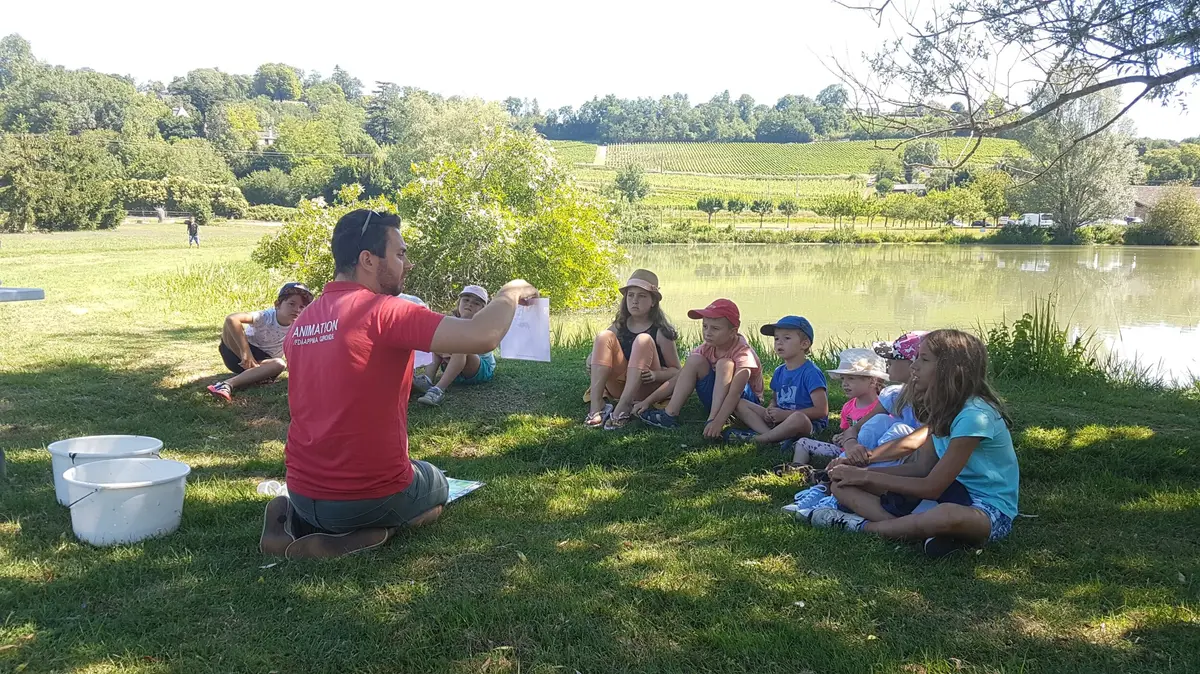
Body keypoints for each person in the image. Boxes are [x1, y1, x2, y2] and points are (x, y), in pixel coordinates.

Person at [258, 208, 539, 559]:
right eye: (400, 254)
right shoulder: (384, 311)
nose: (408, 264)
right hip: (367, 494)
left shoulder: (302, 323)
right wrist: (511, 291)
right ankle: (365, 534)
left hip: (302, 489)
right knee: (435, 486)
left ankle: (295, 521)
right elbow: (482, 335)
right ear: (368, 260)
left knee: (351, 494)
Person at [805, 329, 1020, 558]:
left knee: (945, 516)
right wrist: (858, 473)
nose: (914, 366)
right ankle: (922, 531)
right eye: (916, 357)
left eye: (924, 359)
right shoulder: (944, 407)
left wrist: (866, 476)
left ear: (951, 370)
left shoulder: (974, 416)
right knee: (841, 485)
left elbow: (932, 486)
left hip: (985, 507)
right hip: (945, 494)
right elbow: (921, 467)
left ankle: (863, 526)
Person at [635, 299, 762, 439]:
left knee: (725, 364)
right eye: (705, 326)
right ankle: (669, 414)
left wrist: (717, 421)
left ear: (733, 332)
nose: (707, 333)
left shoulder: (743, 353)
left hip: (745, 405)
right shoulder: (706, 348)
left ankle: (713, 419)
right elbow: (678, 378)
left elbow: (735, 393)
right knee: (694, 360)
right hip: (718, 400)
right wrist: (647, 401)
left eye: (715, 328)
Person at [584, 269, 682, 430]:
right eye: (630, 295)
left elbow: (678, 372)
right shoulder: (620, 325)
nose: (634, 301)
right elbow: (602, 348)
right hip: (618, 387)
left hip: (645, 388)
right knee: (603, 336)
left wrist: (656, 375)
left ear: (653, 301)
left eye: (642, 296)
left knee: (643, 340)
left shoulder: (661, 331)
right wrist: (591, 357)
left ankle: (624, 406)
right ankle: (597, 406)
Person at [722, 316, 829, 446]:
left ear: (804, 344)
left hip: (808, 423)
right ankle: (772, 436)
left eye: (787, 338)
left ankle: (761, 439)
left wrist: (786, 415)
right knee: (740, 403)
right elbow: (775, 399)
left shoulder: (811, 373)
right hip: (781, 418)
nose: (779, 343)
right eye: (776, 338)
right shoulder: (779, 371)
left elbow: (821, 410)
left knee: (798, 418)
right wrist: (771, 408)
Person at [206, 282, 313, 402]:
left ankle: (227, 384)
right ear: (277, 304)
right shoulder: (265, 316)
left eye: (302, 307)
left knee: (279, 364)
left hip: (262, 362)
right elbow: (232, 318)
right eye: (291, 304)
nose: (296, 310)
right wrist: (246, 353)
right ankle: (253, 371)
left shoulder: (300, 326)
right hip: (238, 353)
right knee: (229, 323)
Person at [414, 285, 497, 407]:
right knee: (435, 343)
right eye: (466, 300)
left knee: (461, 347)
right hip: (453, 364)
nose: (470, 304)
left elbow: (476, 346)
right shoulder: (450, 321)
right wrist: (444, 350)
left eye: (476, 303)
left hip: (479, 369)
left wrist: (449, 351)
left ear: (483, 310)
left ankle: (438, 390)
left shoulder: (482, 326)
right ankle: (427, 380)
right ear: (459, 303)